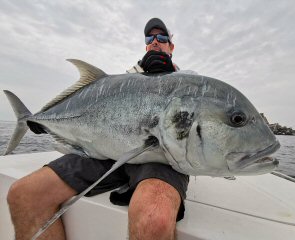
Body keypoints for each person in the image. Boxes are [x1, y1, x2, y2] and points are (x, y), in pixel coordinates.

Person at [7, 18, 189, 240]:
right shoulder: (125, 80)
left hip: (162, 156)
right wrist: (45, 122)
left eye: (162, 38)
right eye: (149, 38)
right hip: (102, 152)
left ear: (171, 46)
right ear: (145, 45)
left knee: (154, 219)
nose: (155, 42)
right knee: (23, 194)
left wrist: (171, 73)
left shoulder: (190, 81)